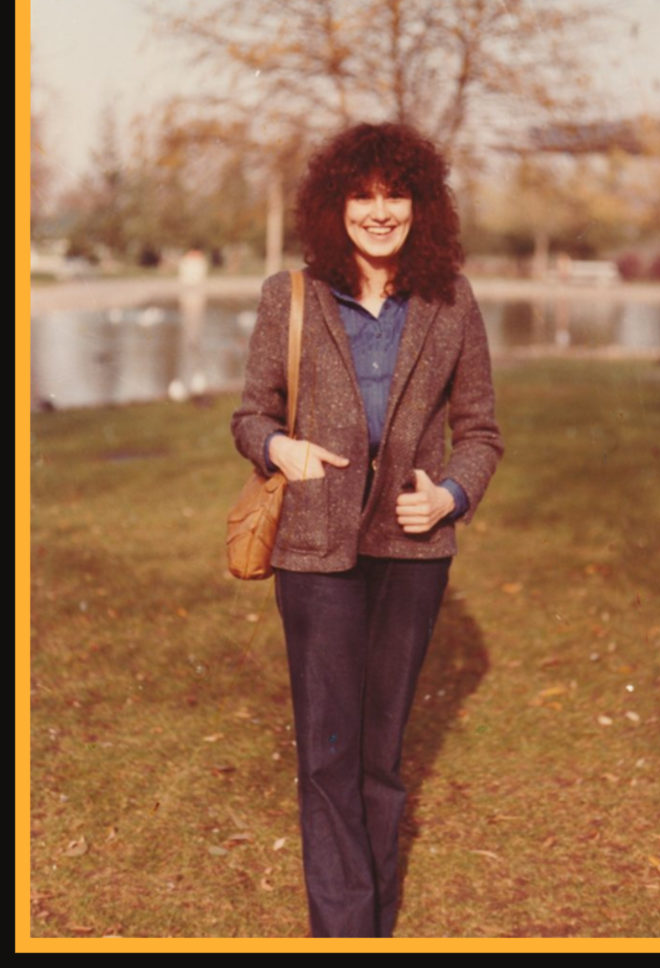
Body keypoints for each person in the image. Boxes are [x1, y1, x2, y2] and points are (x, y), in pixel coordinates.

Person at [230, 121, 504, 938]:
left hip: (413, 552)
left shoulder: (451, 299)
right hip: (314, 551)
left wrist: (451, 496)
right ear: (334, 204)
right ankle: (344, 932)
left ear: (422, 206)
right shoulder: (292, 296)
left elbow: (482, 431)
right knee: (326, 755)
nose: (379, 212)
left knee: (379, 755)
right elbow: (252, 415)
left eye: (396, 195)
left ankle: (372, 924)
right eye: (362, 195)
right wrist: (280, 447)